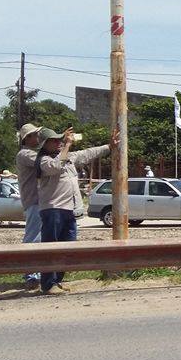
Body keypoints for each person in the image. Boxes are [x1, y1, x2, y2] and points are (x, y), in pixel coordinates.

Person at [35, 126, 116, 293]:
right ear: (45, 144)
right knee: (50, 247)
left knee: (68, 247)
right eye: (53, 140)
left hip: (69, 210)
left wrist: (109, 147)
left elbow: (87, 153)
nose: (58, 142)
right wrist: (67, 145)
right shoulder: (43, 160)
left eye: (59, 139)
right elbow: (56, 166)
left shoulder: (69, 157)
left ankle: (56, 281)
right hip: (53, 209)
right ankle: (48, 284)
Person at [14, 123, 45, 288]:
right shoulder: (25, 154)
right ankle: (30, 273)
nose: (38, 137)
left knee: (38, 237)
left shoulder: (30, 154)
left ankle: (36, 272)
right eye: (35, 135)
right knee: (33, 237)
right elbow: (44, 162)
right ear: (28, 138)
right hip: (33, 201)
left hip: (37, 201)